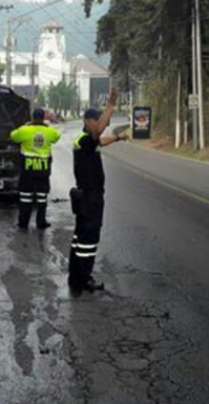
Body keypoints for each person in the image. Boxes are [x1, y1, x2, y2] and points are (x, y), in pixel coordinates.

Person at [69, 88, 129, 293]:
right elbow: (97, 135)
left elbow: (101, 140)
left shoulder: (84, 141)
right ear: (88, 122)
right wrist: (111, 104)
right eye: (98, 120)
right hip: (90, 198)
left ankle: (75, 276)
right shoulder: (86, 139)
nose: (102, 125)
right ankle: (83, 280)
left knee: (80, 238)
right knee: (88, 240)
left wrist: (118, 138)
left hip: (84, 197)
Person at [10, 108, 61, 230]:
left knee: (25, 197)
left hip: (28, 170)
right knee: (42, 198)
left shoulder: (25, 130)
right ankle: (41, 222)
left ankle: (23, 223)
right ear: (43, 117)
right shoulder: (50, 131)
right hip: (43, 171)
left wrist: (26, 125)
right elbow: (57, 137)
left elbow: (13, 136)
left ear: (32, 117)